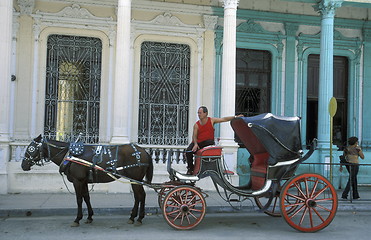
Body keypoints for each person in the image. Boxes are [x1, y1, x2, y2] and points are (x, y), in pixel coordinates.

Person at [185, 106, 243, 175]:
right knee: (188, 151)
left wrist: (235, 117)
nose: (199, 114)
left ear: (205, 113)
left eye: (200, 113)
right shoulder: (196, 125)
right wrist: (195, 144)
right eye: (198, 113)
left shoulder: (212, 120)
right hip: (198, 142)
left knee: (210, 142)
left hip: (208, 142)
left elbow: (223, 119)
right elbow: (194, 136)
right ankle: (190, 169)